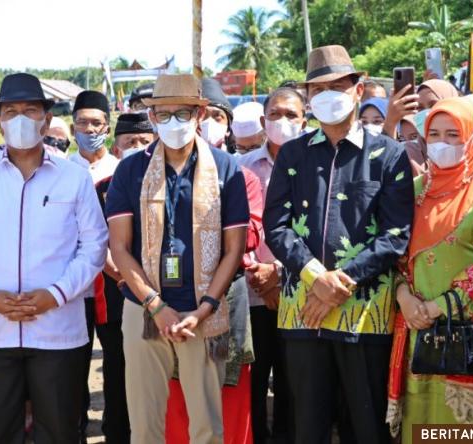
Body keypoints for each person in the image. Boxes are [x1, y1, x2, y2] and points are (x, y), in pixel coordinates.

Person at [0, 72, 107, 443]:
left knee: (60, 431)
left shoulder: (72, 177)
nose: (20, 119)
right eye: (10, 111)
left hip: (57, 330)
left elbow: (94, 245)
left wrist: (56, 294)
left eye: (30, 111)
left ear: (46, 120)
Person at [263, 46, 414, 444]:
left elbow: (395, 235)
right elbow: (275, 225)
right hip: (303, 313)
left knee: (367, 428)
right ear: (309, 98)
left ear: (358, 89)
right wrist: (315, 277)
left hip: (364, 314)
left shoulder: (389, 154)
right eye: (318, 88)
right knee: (307, 426)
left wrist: (339, 282)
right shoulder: (293, 153)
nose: (327, 95)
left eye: (337, 86)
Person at [105, 74, 249, 444]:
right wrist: (156, 306)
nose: (172, 123)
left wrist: (202, 309)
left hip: (204, 310)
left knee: (206, 426)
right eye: (162, 114)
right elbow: (120, 248)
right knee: (145, 424)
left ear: (200, 114)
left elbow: (234, 248)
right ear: (151, 117)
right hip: (144, 309)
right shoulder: (131, 169)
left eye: (181, 113)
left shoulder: (225, 168)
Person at [386, 97, 473, 442]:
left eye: (454, 134)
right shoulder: (414, 191)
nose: (443, 143)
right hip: (415, 333)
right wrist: (404, 298)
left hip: (467, 338)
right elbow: (395, 259)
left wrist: (434, 308)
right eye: (435, 134)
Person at [238, 86, 307, 444]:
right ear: (263, 122)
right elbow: (233, 230)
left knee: (293, 379)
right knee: (253, 374)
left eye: (291, 115)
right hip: (254, 290)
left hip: (303, 288)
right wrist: (260, 276)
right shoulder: (243, 168)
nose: (282, 121)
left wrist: (281, 275)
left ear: (304, 120)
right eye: (275, 114)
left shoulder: (316, 163)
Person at [68, 90, 127, 444]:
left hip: (115, 284)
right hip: (73, 288)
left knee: (117, 366)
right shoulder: (59, 169)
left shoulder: (122, 170)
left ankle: (117, 432)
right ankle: (73, 430)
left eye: (96, 123)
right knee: (71, 368)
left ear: (107, 126)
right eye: (82, 123)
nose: (89, 129)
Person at [199, 78, 234, 151]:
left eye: (218, 116)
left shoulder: (236, 161)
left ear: (228, 128)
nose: (209, 123)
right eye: (202, 116)